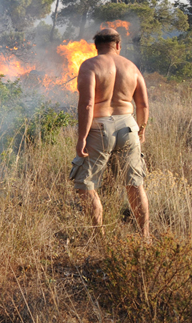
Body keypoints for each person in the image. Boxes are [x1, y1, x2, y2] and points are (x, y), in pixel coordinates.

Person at [70, 28, 150, 240]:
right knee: (134, 184)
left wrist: (82, 138)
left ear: (96, 47)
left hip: (100, 126)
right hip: (128, 126)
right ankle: (145, 236)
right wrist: (141, 130)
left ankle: (99, 238)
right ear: (118, 45)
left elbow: (87, 104)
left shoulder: (90, 65)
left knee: (86, 184)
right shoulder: (132, 68)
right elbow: (143, 105)